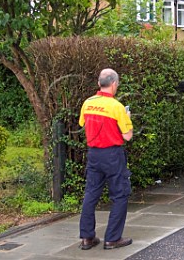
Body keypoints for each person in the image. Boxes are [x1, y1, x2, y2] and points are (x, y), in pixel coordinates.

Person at [78, 68, 133, 250]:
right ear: (114, 84)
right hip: (112, 155)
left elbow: (83, 124)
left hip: (93, 154)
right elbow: (127, 136)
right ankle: (112, 239)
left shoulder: (87, 103)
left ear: (99, 83)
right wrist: (127, 118)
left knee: (91, 194)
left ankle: (87, 237)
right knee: (119, 195)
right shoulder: (116, 107)